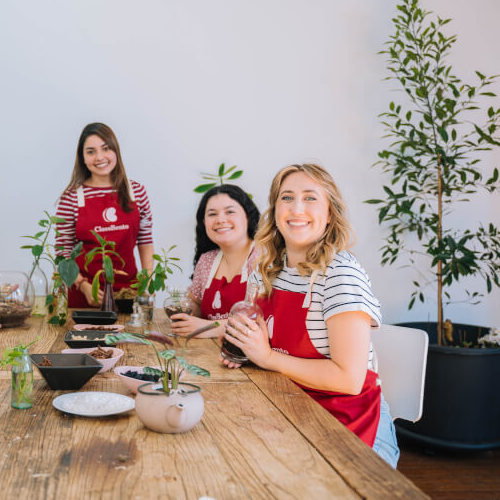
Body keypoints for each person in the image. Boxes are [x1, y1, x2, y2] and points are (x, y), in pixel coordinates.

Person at [221, 163, 399, 467]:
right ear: (275, 211)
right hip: (290, 410)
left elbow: (349, 380)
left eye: (310, 198)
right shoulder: (266, 271)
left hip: (351, 425)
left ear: (330, 214)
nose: (296, 208)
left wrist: (266, 358)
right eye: (286, 198)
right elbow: (264, 344)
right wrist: (245, 350)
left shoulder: (340, 274)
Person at [55, 123, 154, 308]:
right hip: (86, 295)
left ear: (115, 151)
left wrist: (146, 282)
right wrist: (83, 286)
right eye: (91, 152)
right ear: (82, 158)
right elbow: (62, 253)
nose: (99, 157)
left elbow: (145, 241)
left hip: (128, 291)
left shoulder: (137, 192)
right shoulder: (70, 198)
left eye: (106, 148)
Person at [170, 184, 260, 338]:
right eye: (212, 214)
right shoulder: (207, 260)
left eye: (230, 211)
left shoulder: (264, 257)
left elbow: (264, 317)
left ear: (248, 216)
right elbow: (196, 303)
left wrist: (209, 327)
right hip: (205, 351)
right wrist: (184, 308)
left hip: (245, 356)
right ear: (204, 222)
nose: (220, 220)